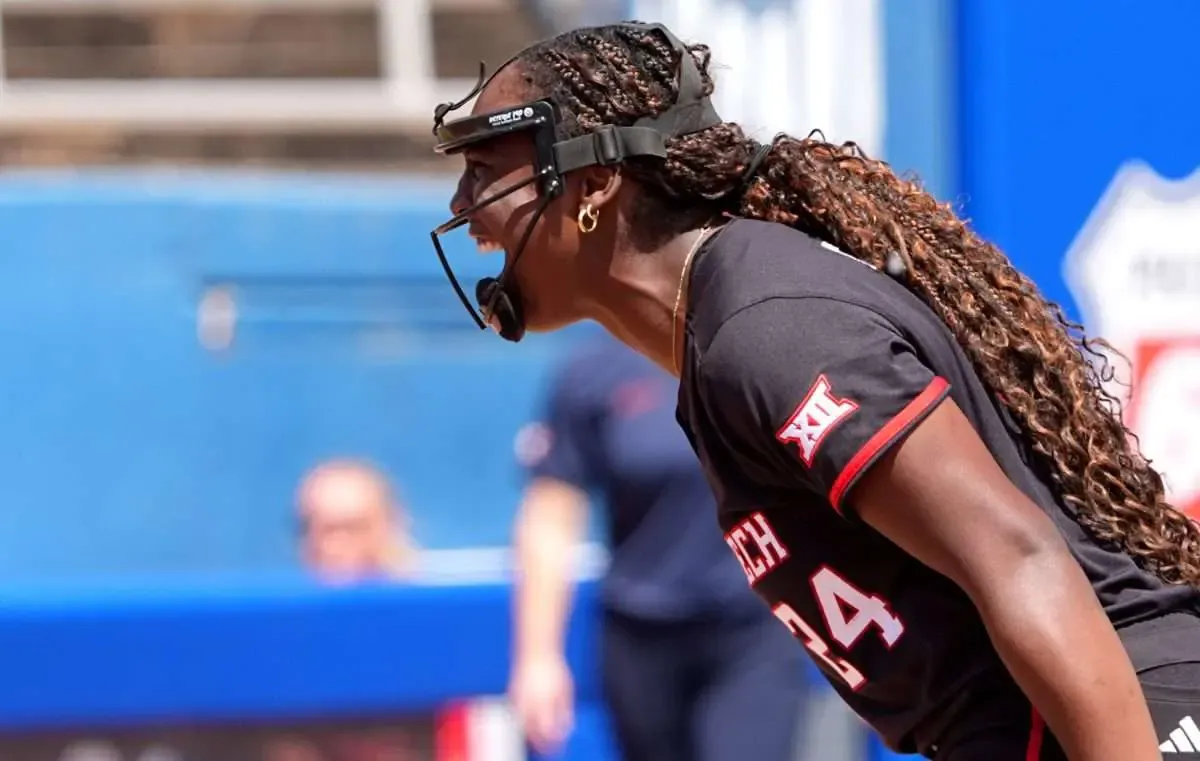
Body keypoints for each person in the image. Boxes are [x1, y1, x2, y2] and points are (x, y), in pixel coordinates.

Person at [424, 20, 1200, 761]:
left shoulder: (766, 330)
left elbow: (1021, 556)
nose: (462, 203)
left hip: (1131, 715)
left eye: (486, 171)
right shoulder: (725, 329)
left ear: (592, 185)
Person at [508, 330, 805, 761]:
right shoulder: (594, 370)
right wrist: (537, 658)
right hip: (639, 631)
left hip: (750, 627)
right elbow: (550, 518)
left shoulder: (758, 350)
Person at [295, 459, 418, 583]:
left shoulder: (424, 594)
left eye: (353, 528)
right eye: (327, 530)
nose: (337, 546)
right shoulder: (289, 597)